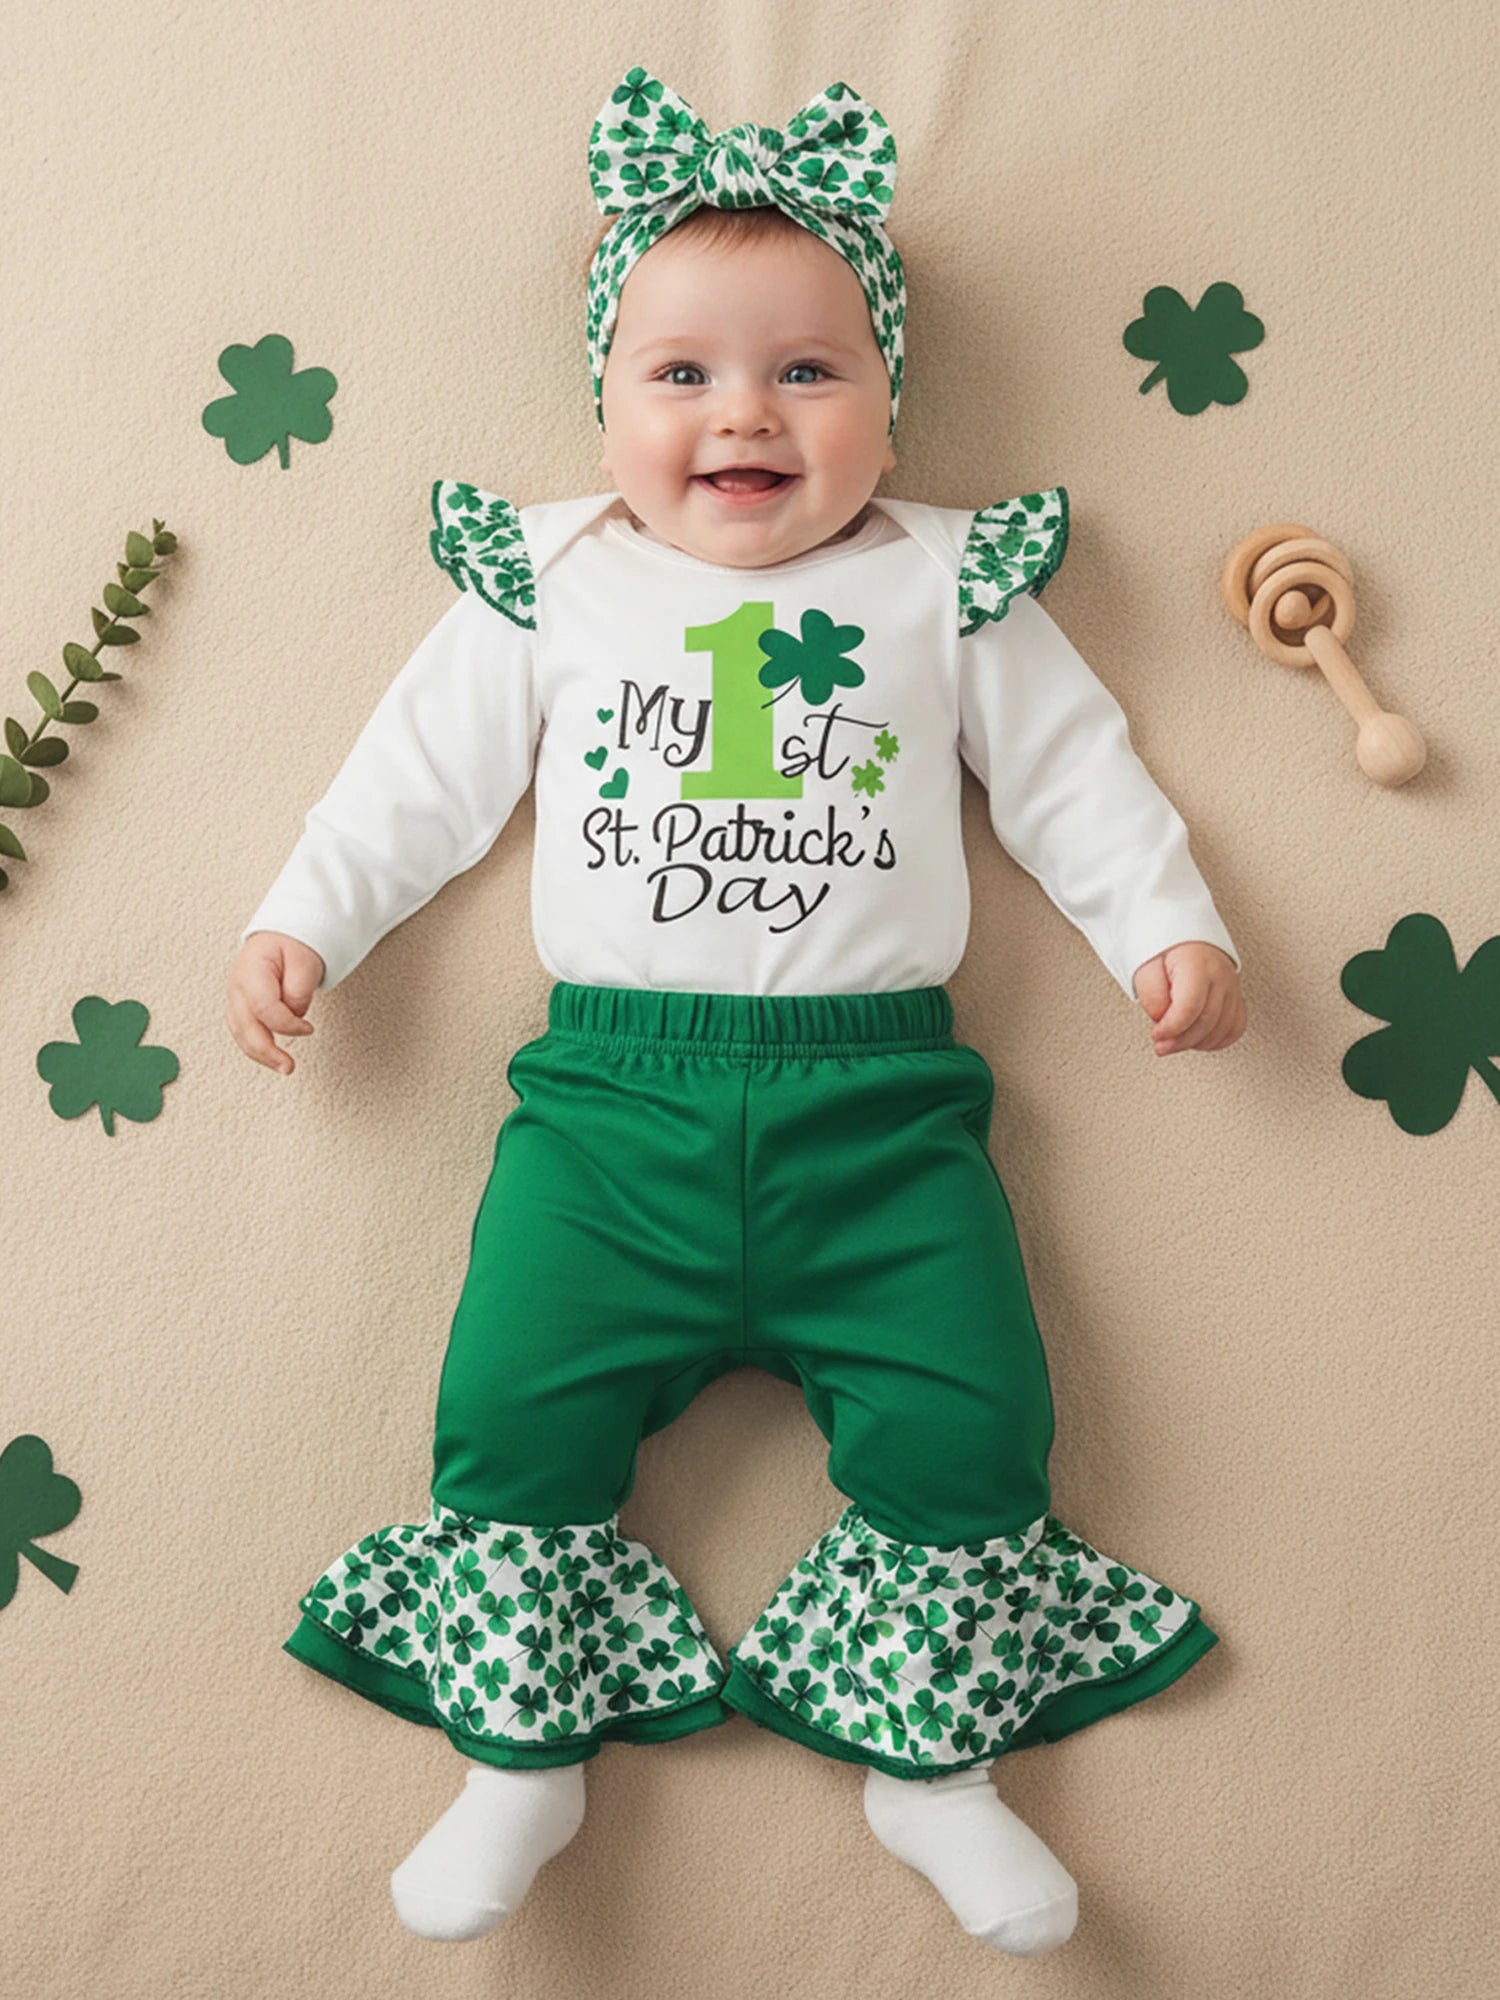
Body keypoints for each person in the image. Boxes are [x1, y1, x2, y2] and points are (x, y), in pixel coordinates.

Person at [227, 67, 1246, 1959]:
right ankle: (520, 1753)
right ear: (604, 402)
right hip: (609, 1114)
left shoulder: (948, 587)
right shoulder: (553, 583)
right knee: (509, 1404)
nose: (745, 414)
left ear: (889, 400)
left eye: (807, 371)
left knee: (974, 1415)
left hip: (888, 1121)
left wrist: (1163, 929)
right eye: (680, 373)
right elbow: (411, 784)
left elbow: (1077, 778)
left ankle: (935, 1768)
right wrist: (309, 918)